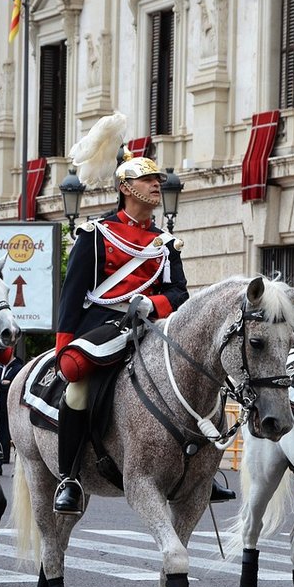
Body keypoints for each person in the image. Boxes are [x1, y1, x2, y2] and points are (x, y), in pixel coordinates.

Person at [52, 153, 190, 515]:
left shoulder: (165, 243)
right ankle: (68, 477)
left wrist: (152, 304)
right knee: (80, 386)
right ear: (125, 188)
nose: (156, 184)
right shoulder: (96, 233)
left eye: (157, 179)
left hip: (151, 325)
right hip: (100, 324)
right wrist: (63, 347)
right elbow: (72, 293)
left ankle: (197, 470)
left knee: (193, 375)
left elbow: (179, 294)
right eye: (147, 180)